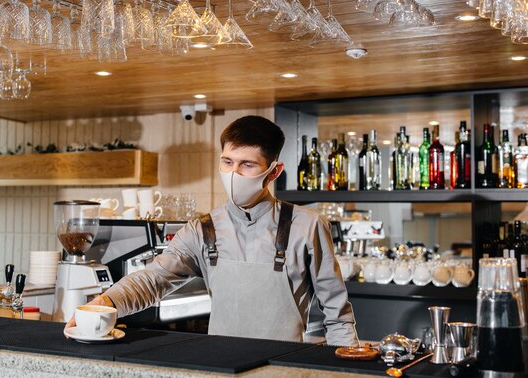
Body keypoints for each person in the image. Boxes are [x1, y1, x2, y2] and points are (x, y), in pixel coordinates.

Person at [66, 115, 358, 345]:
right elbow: (153, 280)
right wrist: (104, 303)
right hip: (220, 365)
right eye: (227, 162)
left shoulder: (308, 226)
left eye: (247, 165)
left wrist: (342, 367)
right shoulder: (202, 230)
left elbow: (338, 316)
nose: (233, 174)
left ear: (274, 172)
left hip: (283, 367)